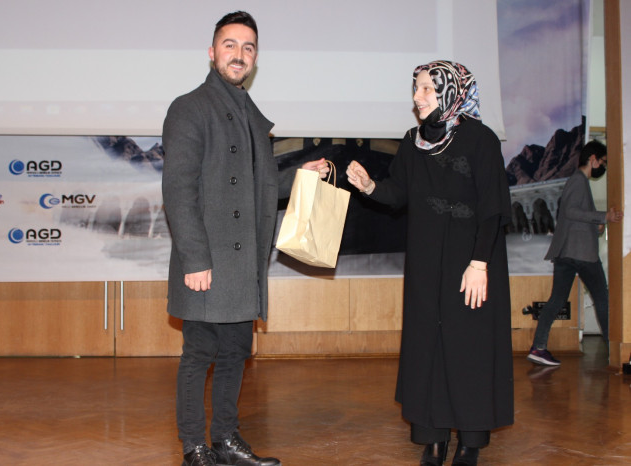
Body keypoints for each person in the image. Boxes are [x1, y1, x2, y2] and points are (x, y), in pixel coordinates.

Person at [161, 11, 328, 466]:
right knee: (199, 353)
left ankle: (226, 440)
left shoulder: (249, 114)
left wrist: (300, 176)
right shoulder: (190, 107)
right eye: (230, 45)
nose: (239, 54)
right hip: (207, 260)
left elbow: (255, 188)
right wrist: (195, 259)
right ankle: (194, 447)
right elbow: (178, 190)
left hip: (242, 263)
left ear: (255, 58)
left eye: (248, 47)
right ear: (212, 52)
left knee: (235, 352)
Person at [346, 60, 513, 466]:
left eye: (426, 89)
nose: (417, 97)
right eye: (416, 88)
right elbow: (398, 193)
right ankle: (432, 439)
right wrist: (370, 186)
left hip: (471, 263)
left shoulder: (481, 139)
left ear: (451, 92)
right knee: (428, 347)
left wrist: (479, 264)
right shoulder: (412, 141)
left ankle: (470, 440)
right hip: (425, 264)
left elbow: (493, 208)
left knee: (469, 348)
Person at [527, 140, 623, 366]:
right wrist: (604, 217)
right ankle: (615, 352)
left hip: (567, 253)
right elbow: (571, 211)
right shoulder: (578, 180)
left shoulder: (577, 181)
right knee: (602, 299)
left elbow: (575, 215)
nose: (603, 167)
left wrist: (597, 224)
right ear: (593, 159)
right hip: (582, 254)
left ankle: (538, 347)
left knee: (556, 300)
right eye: (603, 162)